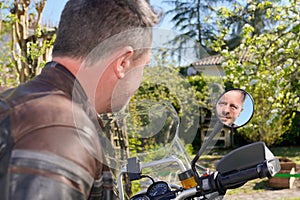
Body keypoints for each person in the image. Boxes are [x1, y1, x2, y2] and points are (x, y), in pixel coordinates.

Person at [0, 0, 159, 199]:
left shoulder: (24, 103)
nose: (141, 79)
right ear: (123, 62)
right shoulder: (63, 132)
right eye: (144, 66)